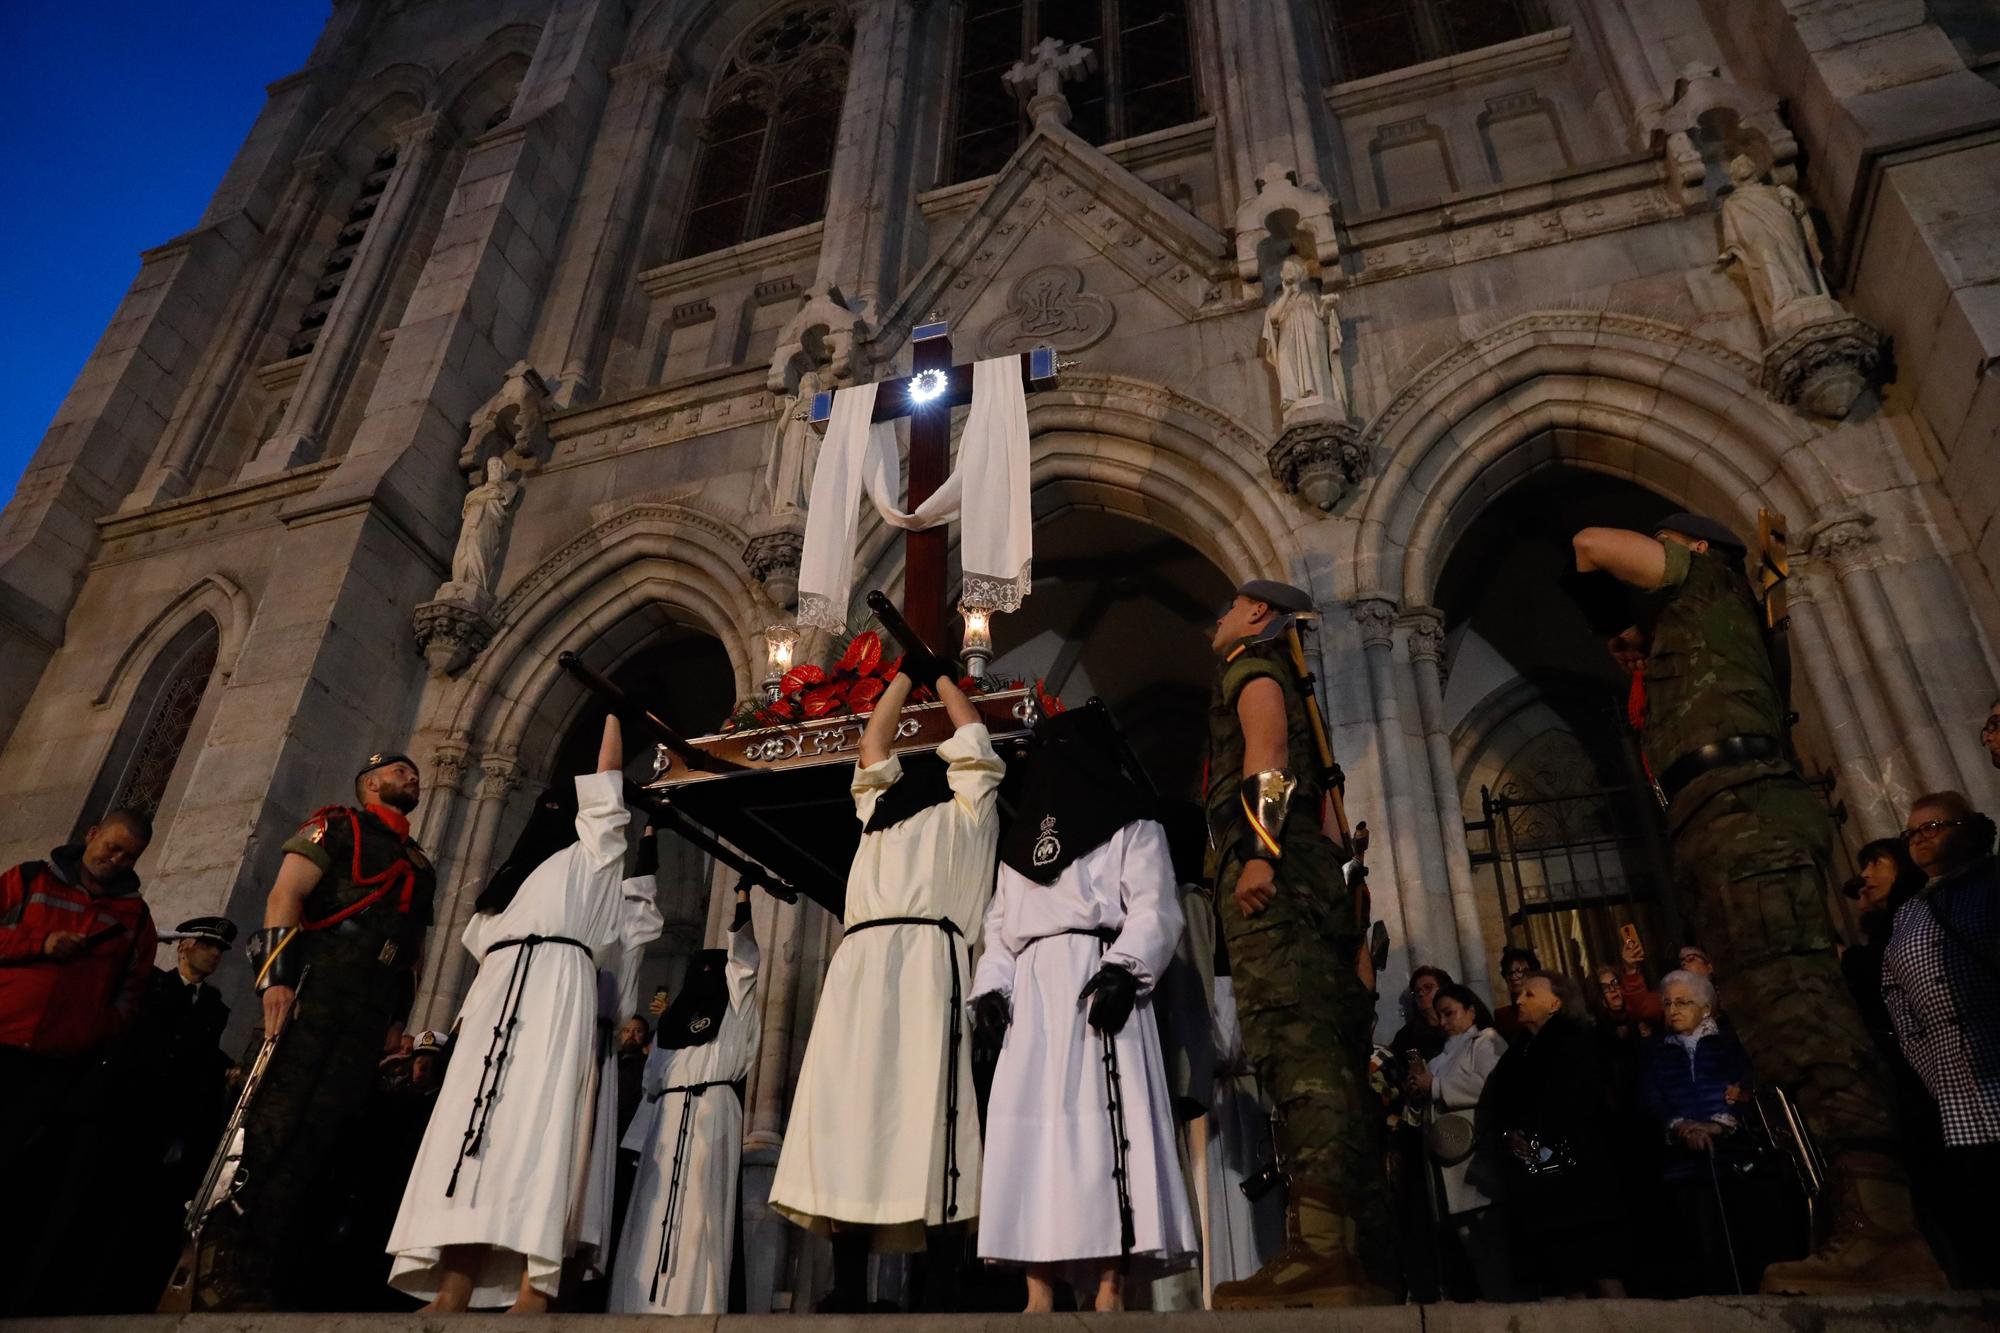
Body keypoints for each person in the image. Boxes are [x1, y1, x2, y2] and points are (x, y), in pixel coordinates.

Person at [1573, 513, 1940, 1291]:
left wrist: (1631, 592)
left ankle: (1886, 1222)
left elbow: (1591, 544)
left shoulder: (1701, 577)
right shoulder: (1691, 628)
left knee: (1799, 1003)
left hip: (1745, 810)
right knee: (1773, 1016)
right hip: (1714, 815)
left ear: (1695, 548)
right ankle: (1859, 1214)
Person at [769, 668, 1002, 1309]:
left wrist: (944, 678)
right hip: (863, 967)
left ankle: (937, 1288)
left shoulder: (968, 811)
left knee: (927, 1114)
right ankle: (848, 1286)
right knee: (852, 1117)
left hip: (929, 964)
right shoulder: (877, 817)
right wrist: (905, 676)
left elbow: (973, 734)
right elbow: (873, 746)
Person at [386, 715, 630, 1312]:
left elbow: (606, 783)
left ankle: (534, 1288)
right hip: (492, 1007)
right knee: (470, 1143)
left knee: (539, 1132)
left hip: (553, 996)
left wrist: (613, 712)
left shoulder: (589, 856)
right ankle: (455, 1285)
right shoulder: (500, 895)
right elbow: (477, 960)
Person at [969, 702, 1196, 1311]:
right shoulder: (1020, 846)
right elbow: (1001, 930)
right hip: (1033, 997)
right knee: (1031, 1138)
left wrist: (1126, 970)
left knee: (1102, 1133)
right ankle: (1037, 1292)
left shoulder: (1132, 826)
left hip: (1100, 985)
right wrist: (991, 987)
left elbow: (1154, 908)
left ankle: (1107, 1288)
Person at [1202, 579, 1390, 1308]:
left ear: (1255, 611)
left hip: (1274, 877)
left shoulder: (1251, 665)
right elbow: (1335, 819)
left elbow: (1268, 753)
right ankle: (1353, 1244)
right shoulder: (1288, 676)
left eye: (1224, 608)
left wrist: (1258, 851)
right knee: (1332, 1059)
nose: (1215, 623)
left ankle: (1316, 1251)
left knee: (1294, 1048)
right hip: (1313, 879)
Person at [192, 752, 437, 1311]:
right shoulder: (337, 826)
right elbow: (286, 895)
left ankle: (260, 1273)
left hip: (366, 1012)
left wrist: (397, 1016)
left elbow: (413, 949)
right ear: (371, 783)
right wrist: (274, 980)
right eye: (399, 772)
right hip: (312, 990)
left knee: (317, 1140)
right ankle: (213, 1265)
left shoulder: (420, 863)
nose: (412, 777)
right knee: (270, 1125)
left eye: (414, 774)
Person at [609, 885, 759, 1314]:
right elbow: (651, 1084)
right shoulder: (669, 1029)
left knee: (700, 1214)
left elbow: (745, 966)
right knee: (649, 1215)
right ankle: (635, 1306)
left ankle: (695, 1306)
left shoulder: (734, 1009)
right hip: (668, 1116)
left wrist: (743, 904)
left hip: (712, 1111)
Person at [1882, 791, 2000, 1288]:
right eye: (1912, 833)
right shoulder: (1908, 912)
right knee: (1986, 1193)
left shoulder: (1992, 882)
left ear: (1968, 828)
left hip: (1995, 1044)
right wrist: (1930, 1064)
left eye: (1933, 827)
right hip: (1952, 1074)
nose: (1920, 839)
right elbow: (1894, 994)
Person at [1480, 971, 1625, 1298]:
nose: (1519, 1000)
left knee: (1599, 1265)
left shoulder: (1577, 1041)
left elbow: (1576, 1101)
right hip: (1539, 1173)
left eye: (1530, 994)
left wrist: (1536, 1137)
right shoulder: (1519, 1051)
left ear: (1555, 1003)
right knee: (1564, 1272)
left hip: (1578, 1171)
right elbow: (1501, 1101)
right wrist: (1510, 1134)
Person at [573, 827, 666, 1296]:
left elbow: (641, 899)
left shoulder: (624, 928)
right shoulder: (578, 917)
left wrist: (648, 843)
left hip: (597, 1053)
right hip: (569, 1045)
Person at [1637, 970, 1765, 1294]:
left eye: (1682, 1002)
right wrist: (1682, 1126)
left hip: (1732, 1162)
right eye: (1667, 1003)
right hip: (1683, 1165)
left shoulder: (1729, 1042)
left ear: (1705, 1008)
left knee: (1741, 1243)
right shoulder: (1657, 1050)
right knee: (1699, 1245)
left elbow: (1747, 1088)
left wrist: (1718, 1124)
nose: (1673, 1009)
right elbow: (1652, 1097)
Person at [1405, 983, 1511, 1301]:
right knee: (1469, 1248)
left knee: (1493, 1244)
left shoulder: (1486, 1042)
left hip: (1476, 1159)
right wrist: (1417, 1092)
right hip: (1447, 1164)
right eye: (1438, 1015)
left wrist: (1435, 1086)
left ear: (1471, 1011)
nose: (1443, 1022)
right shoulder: (1439, 1059)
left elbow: (1489, 1087)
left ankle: (1507, 1301)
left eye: (1449, 1013)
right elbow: (1427, 1104)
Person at [1492, 946, 1539, 1042]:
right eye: (1509, 972)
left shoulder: (1545, 1005)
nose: (1513, 976)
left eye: (1519, 971)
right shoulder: (1503, 1016)